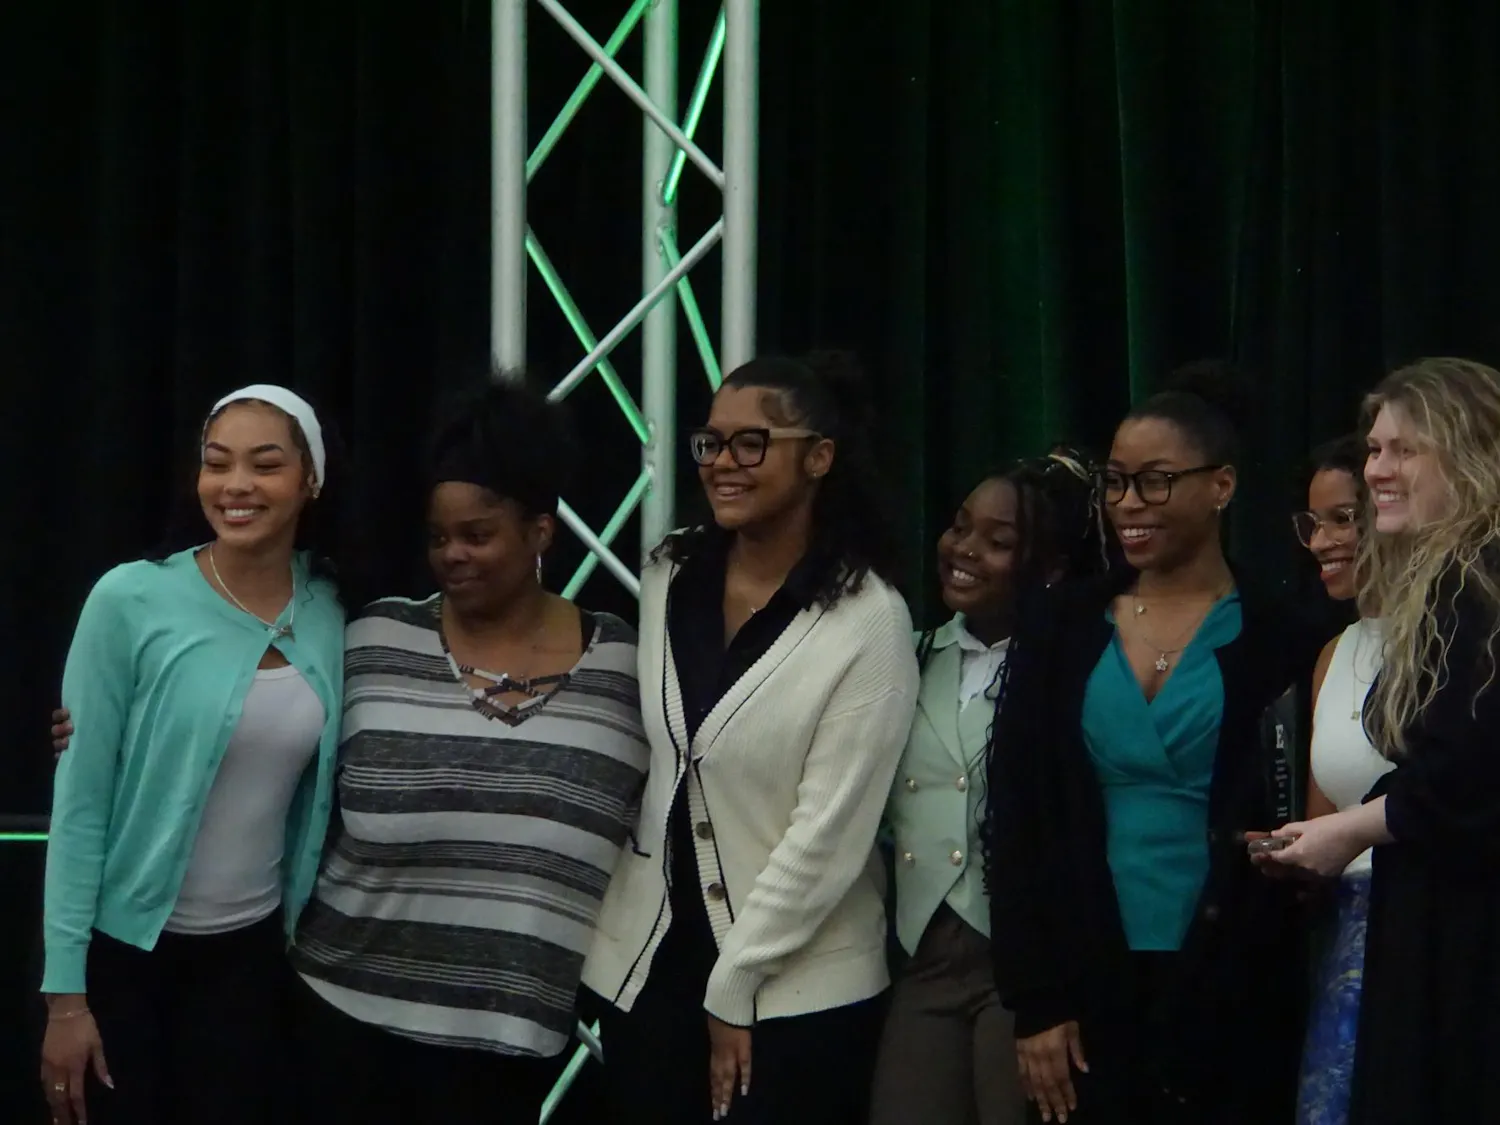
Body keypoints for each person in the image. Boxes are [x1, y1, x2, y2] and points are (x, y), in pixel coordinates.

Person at [282, 376, 651, 1124]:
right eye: (437, 536)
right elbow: (259, 728)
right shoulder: (375, 640)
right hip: (344, 1020)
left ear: (541, 532)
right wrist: (105, 729)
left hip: (510, 1041)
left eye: (477, 534)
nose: (452, 554)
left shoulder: (626, 667)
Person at [581, 352, 920, 1125]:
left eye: (751, 443)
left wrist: (736, 981)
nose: (723, 463)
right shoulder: (671, 570)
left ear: (819, 456)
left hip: (798, 989)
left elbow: (829, 832)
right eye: (710, 442)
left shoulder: (869, 618)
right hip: (654, 966)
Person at [984, 364, 1324, 1125]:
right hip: (1083, 984)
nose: (1129, 505)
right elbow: (1016, 813)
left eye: (1156, 482)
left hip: (1235, 985)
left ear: (1223, 486)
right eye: (1116, 482)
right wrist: (1036, 999)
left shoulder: (1283, 634)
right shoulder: (1061, 624)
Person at [39, 386, 350, 1125]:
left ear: (311, 479)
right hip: (124, 956)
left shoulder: (335, 605)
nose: (236, 485)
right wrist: (65, 997)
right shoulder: (130, 598)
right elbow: (80, 807)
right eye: (217, 464)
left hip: (254, 956)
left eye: (264, 464)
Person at [1267, 358, 1500, 1123]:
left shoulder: (1475, 580)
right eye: (1373, 450)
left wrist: (1349, 830)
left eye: (1404, 448)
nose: (1379, 470)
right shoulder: (1449, 580)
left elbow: (1466, 773)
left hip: (1465, 939)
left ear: (1467, 449)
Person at [871, 451, 1107, 1125]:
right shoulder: (908, 654)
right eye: (960, 525)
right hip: (922, 952)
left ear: (1052, 567)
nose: (964, 549)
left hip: (1019, 959)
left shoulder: (1069, 670)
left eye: (998, 541)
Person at [1274, 434, 1392, 1125]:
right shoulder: (1332, 653)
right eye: (1313, 522)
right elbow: (1326, 821)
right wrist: (1286, 848)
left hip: (1431, 926)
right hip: (1346, 941)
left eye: (1344, 518)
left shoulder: (1457, 636)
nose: (1321, 540)